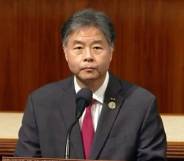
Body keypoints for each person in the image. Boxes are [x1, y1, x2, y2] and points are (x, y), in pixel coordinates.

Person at [15, 9, 167, 161]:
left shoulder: (141, 105)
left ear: (111, 51)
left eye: (97, 48)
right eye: (79, 48)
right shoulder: (41, 103)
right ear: (66, 53)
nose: (88, 57)